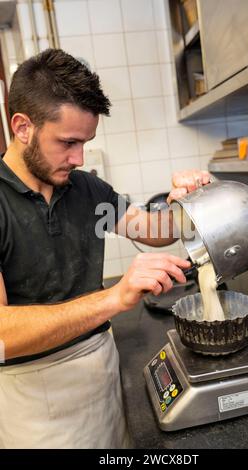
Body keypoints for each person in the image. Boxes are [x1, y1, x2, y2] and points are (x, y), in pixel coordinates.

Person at [0, 48, 211, 449]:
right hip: (33, 404)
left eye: (86, 143)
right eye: (67, 142)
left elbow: (154, 228)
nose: (78, 158)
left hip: (102, 379)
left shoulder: (83, 189)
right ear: (22, 126)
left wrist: (186, 200)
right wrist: (114, 298)